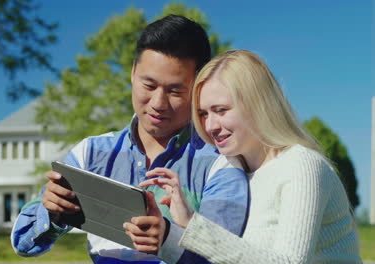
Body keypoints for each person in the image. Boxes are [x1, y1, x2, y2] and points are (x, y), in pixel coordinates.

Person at [11, 15, 249, 264]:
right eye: (149, 85)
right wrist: (52, 214)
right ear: (133, 73)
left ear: (199, 88)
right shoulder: (91, 153)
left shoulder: (221, 163)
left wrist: (169, 238)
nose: (158, 103)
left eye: (175, 91)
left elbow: (227, 256)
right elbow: (23, 243)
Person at [125, 50, 362, 263]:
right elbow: (233, 255)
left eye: (221, 110)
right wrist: (166, 233)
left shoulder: (301, 165)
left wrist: (193, 224)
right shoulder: (235, 170)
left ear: (257, 104)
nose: (210, 126)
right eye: (203, 114)